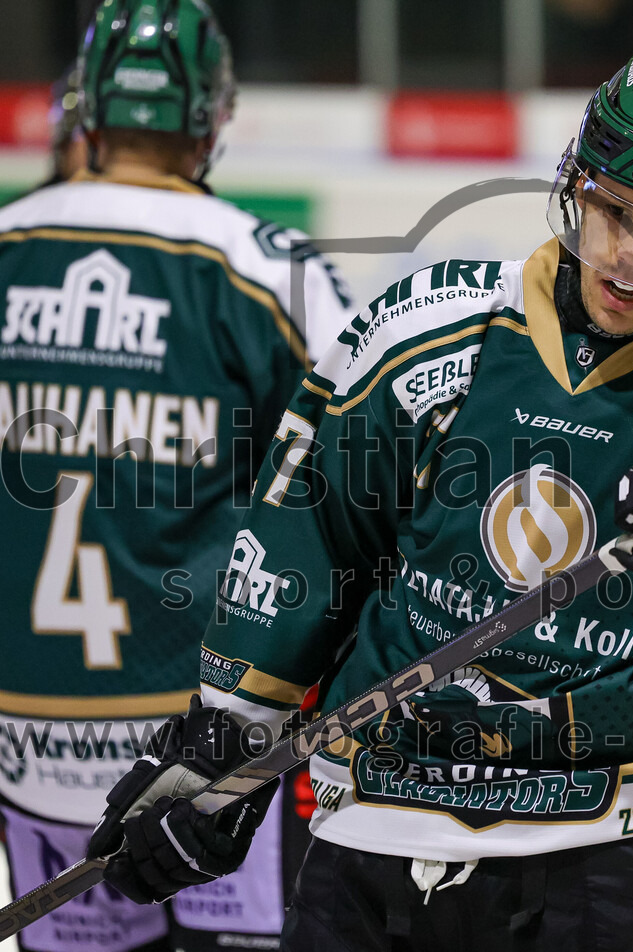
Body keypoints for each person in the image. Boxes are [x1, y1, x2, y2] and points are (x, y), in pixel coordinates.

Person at [84, 43, 633, 952]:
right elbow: (307, 545)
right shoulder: (422, 338)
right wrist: (224, 747)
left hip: (621, 847)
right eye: (616, 214)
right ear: (575, 184)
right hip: (379, 819)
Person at [0, 1, 355, 950]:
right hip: (206, 765)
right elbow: (365, 480)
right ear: (213, 117)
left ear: (84, 109)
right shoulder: (267, 268)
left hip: (24, 745)